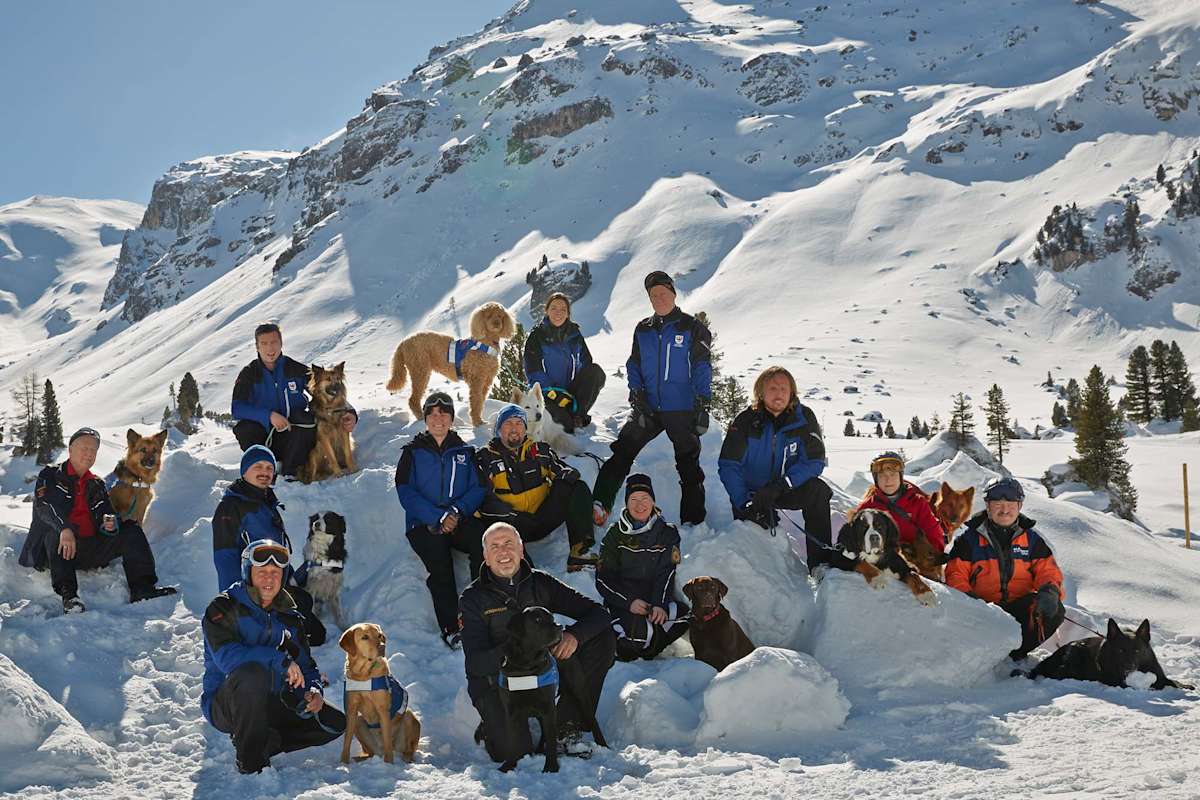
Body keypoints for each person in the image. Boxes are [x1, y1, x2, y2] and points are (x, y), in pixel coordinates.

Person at [459, 523, 616, 764]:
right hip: (500, 682)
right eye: (495, 547)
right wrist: (520, 647)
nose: (503, 552)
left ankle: (566, 725)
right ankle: (492, 724)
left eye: (509, 544)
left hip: (540, 673)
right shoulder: (473, 599)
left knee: (602, 637)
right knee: (515, 754)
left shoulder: (540, 583)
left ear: (521, 550)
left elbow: (599, 614)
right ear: (486, 557)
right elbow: (476, 664)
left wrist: (573, 636)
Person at [202, 539, 345, 774]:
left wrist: (314, 691)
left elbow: (306, 667)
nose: (269, 579)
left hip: (273, 699)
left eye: (275, 573)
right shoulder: (222, 608)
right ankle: (251, 761)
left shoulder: (290, 616)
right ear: (248, 573)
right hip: (228, 702)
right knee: (252, 674)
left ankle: (267, 739)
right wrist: (280, 660)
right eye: (262, 572)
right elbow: (228, 659)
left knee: (334, 723)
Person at [592, 272, 711, 526]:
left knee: (689, 465)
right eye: (653, 295)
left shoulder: (692, 327)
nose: (658, 298)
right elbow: (633, 363)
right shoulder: (642, 329)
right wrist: (636, 392)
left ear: (673, 293)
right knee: (622, 450)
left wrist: (702, 403)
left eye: (662, 292)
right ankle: (599, 504)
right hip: (648, 408)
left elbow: (702, 366)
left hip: (680, 409)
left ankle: (693, 523)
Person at [18, 427, 176, 614]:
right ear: (70, 450)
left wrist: (110, 523)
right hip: (55, 552)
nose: (89, 453)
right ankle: (70, 597)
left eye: (93, 450)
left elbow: (107, 513)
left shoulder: (97, 484)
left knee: (131, 528)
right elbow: (44, 507)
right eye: (84, 448)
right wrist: (64, 529)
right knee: (55, 532)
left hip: (88, 550)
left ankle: (142, 588)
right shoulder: (50, 476)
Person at [395, 391, 488, 649]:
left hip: (457, 518)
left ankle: (484, 610)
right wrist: (438, 516)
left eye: (443, 413)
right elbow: (405, 491)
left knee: (482, 540)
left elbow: (478, 488)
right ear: (425, 419)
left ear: (451, 418)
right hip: (423, 524)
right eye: (432, 414)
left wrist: (456, 511)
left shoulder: (465, 451)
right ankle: (451, 627)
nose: (438, 419)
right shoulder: (412, 452)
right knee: (440, 562)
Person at [716, 366, 833, 570]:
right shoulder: (746, 421)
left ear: (791, 392)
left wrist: (783, 484)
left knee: (818, 491)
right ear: (761, 392)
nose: (778, 393)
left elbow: (815, 461)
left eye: (783, 388)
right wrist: (744, 502)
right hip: (753, 495)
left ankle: (820, 565)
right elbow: (729, 465)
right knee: (755, 544)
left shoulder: (804, 419)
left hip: (786, 487)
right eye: (772, 388)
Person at [212, 444, 327, 645]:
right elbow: (225, 559)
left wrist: (290, 578)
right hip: (254, 593)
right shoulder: (230, 508)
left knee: (306, 606)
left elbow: (274, 550)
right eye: (258, 466)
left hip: (273, 584)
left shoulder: (265, 502)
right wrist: (235, 607)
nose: (264, 472)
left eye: (269, 467)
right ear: (244, 470)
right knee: (314, 636)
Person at [945, 477, 1065, 659]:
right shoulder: (968, 541)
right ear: (987, 505)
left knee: (1054, 608)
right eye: (998, 504)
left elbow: (1047, 571)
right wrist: (973, 603)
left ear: (1020, 506)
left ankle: (1016, 655)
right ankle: (984, 655)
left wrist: (1049, 592)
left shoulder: (1032, 541)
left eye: (1010, 504)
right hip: (983, 610)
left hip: (1019, 609)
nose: (1004, 510)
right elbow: (955, 576)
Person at [475, 404, 599, 571]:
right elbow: (483, 499)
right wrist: (512, 516)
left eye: (518, 423)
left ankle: (580, 551)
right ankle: (524, 573)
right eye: (508, 423)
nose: (514, 428)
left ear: (525, 428)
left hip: (542, 517)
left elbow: (563, 470)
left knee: (577, 486)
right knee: (494, 518)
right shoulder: (486, 458)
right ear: (499, 429)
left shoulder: (540, 450)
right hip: (513, 525)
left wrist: (566, 477)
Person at [231, 321, 357, 477]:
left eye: (274, 342)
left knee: (306, 419)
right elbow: (237, 408)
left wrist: (350, 412)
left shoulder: (294, 369)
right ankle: (263, 468)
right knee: (245, 428)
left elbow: (327, 391)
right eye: (264, 343)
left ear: (281, 343)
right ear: (257, 347)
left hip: (293, 437)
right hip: (264, 436)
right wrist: (269, 416)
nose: (270, 348)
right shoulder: (249, 374)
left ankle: (291, 471)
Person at [595, 474, 689, 661]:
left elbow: (667, 572)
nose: (640, 505)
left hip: (652, 601)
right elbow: (603, 580)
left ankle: (651, 647)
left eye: (645, 499)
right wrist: (629, 602)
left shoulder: (667, 532)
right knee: (633, 640)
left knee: (684, 617)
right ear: (627, 503)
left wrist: (659, 605)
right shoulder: (615, 534)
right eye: (634, 499)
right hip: (624, 603)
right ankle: (637, 642)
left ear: (653, 501)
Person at [523, 292, 606, 431]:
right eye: (554, 308)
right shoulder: (537, 336)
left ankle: (578, 413)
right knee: (565, 427)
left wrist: (579, 394)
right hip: (546, 393)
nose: (558, 313)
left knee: (595, 371)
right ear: (547, 310)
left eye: (563, 309)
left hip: (569, 391)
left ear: (568, 314)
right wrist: (553, 389)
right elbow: (533, 370)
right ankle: (570, 418)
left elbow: (586, 362)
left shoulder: (574, 334)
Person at [854, 451, 946, 554]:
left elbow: (933, 534)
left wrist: (929, 558)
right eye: (882, 475)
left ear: (900, 476)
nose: (888, 480)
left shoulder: (917, 503)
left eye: (892, 475)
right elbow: (853, 541)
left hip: (916, 561)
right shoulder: (867, 507)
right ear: (876, 479)